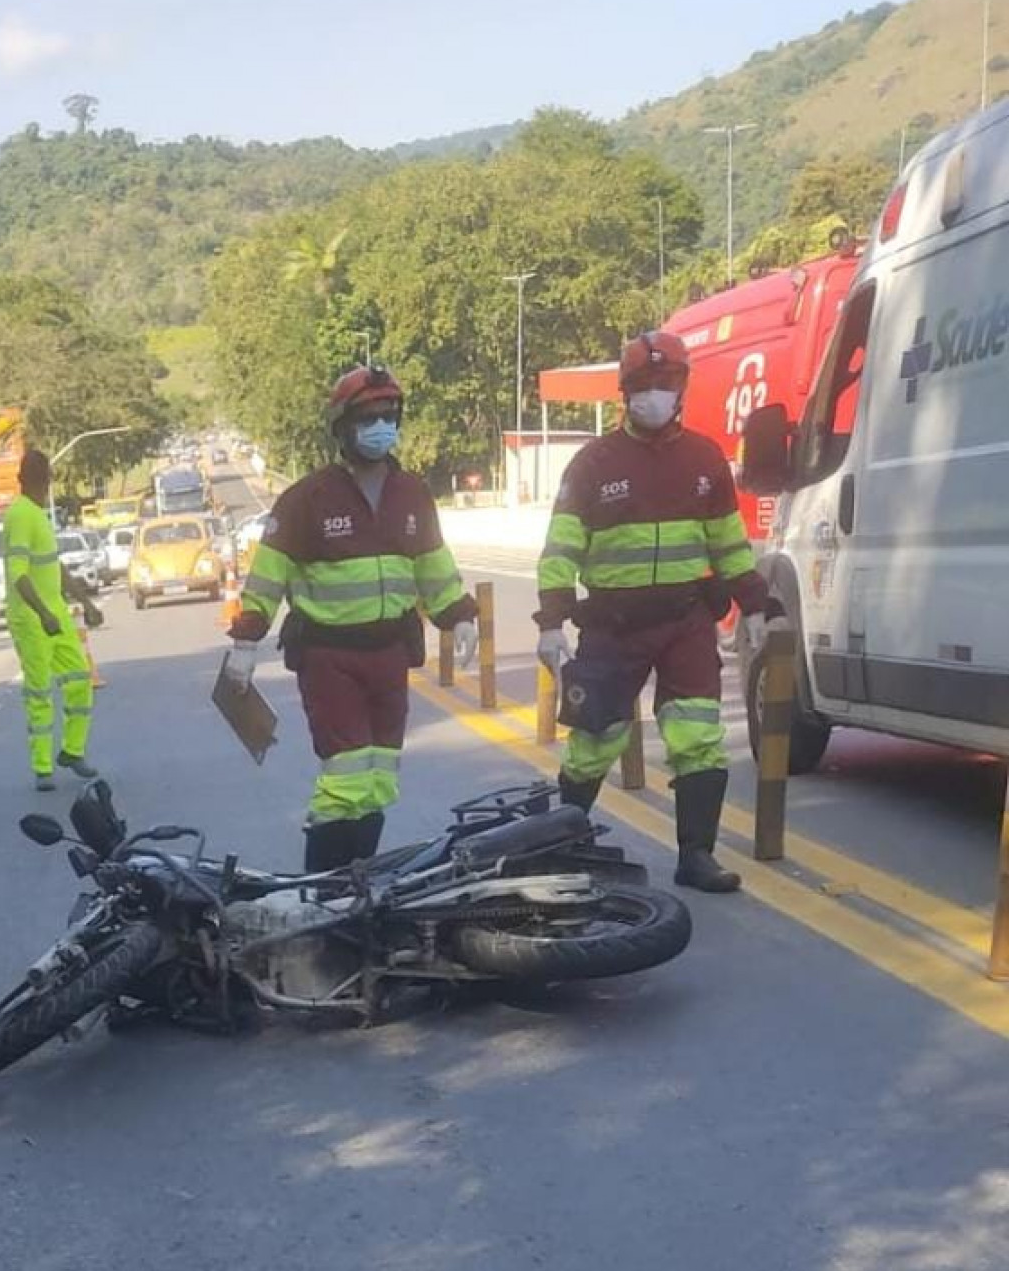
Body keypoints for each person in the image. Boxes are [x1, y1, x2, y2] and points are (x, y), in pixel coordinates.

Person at [534, 330, 780, 894]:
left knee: (698, 737)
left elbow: (728, 542)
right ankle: (562, 847)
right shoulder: (592, 463)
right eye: (643, 386)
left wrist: (754, 602)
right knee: (596, 738)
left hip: (685, 622)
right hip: (612, 628)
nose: (654, 395)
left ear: (682, 387)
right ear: (625, 393)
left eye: (665, 384)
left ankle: (696, 856)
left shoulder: (704, 458)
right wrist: (550, 621)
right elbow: (561, 549)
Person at [225, 366, 476, 868]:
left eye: (389, 416)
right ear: (342, 427)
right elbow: (268, 575)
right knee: (344, 779)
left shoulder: (412, 493)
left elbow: (434, 564)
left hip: (390, 653)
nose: (381, 426)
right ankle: (319, 889)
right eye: (369, 418)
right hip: (329, 656)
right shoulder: (306, 500)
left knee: (380, 777)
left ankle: (356, 881)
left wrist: (458, 615)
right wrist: (246, 640)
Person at [3, 448, 102, 791]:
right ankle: (42, 768)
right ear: (34, 480)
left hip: (54, 613)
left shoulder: (38, 514)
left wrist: (85, 602)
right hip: (31, 618)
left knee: (79, 680)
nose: (42, 484)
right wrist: (42, 613)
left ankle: (72, 752)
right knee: (40, 691)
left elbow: (54, 566)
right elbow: (18, 573)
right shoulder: (20, 515)